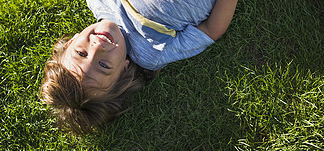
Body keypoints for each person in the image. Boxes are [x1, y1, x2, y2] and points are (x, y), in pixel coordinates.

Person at [40, 0, 238, 134]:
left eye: (81, 53)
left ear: (70, 43)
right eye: (103, 65)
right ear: (124, 70)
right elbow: (211, 30)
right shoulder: (151, 53)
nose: (97, 47)